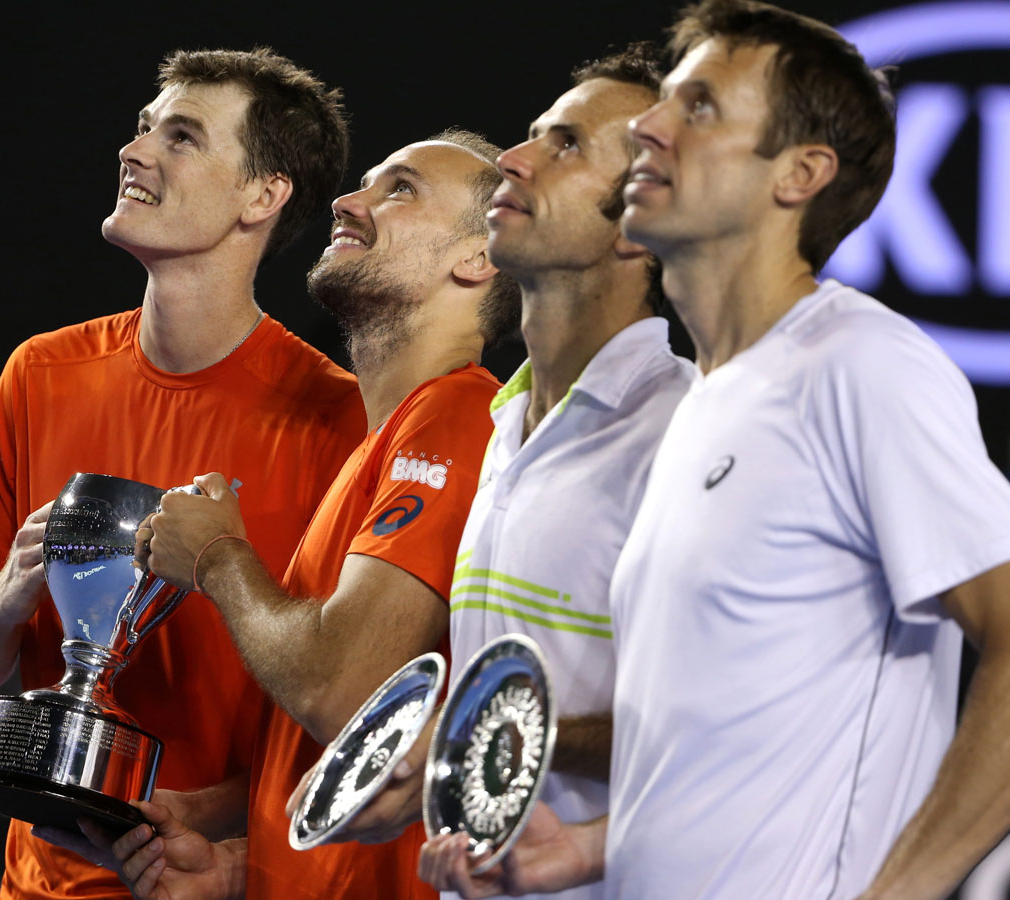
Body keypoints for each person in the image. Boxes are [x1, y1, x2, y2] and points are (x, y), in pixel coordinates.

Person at [419, 2, 1010, 898]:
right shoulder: (704, 403)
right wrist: (596, 847)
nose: (654, 129)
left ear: (800, 175)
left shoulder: (857, 361)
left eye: (698, 108)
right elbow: (731, 730)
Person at [0, 48, 365, 900]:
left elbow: (346, 707)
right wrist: (6, 598)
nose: (137, 151)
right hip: (42, 886)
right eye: (142, 127)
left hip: (217, 882)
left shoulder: (338, 421)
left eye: (183, 136)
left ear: (262, 196)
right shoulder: (40, 372)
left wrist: (194, 818)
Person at [78, 131, 522, 900]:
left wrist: (218, 555)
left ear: (478, 258)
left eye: (402, 189)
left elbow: (340, 692)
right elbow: (373, 744)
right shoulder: (382, 441)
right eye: (366, 185)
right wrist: (231, 838)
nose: (348, 202)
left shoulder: (457, 415)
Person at [323, 45, 694, 900]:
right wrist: (436, 771)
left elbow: (715, 726)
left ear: (638, 221)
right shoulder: (503, 428)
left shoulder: (684, 432)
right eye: (532, 136)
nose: (514, 164)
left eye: (565, 147)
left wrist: (474, 727)